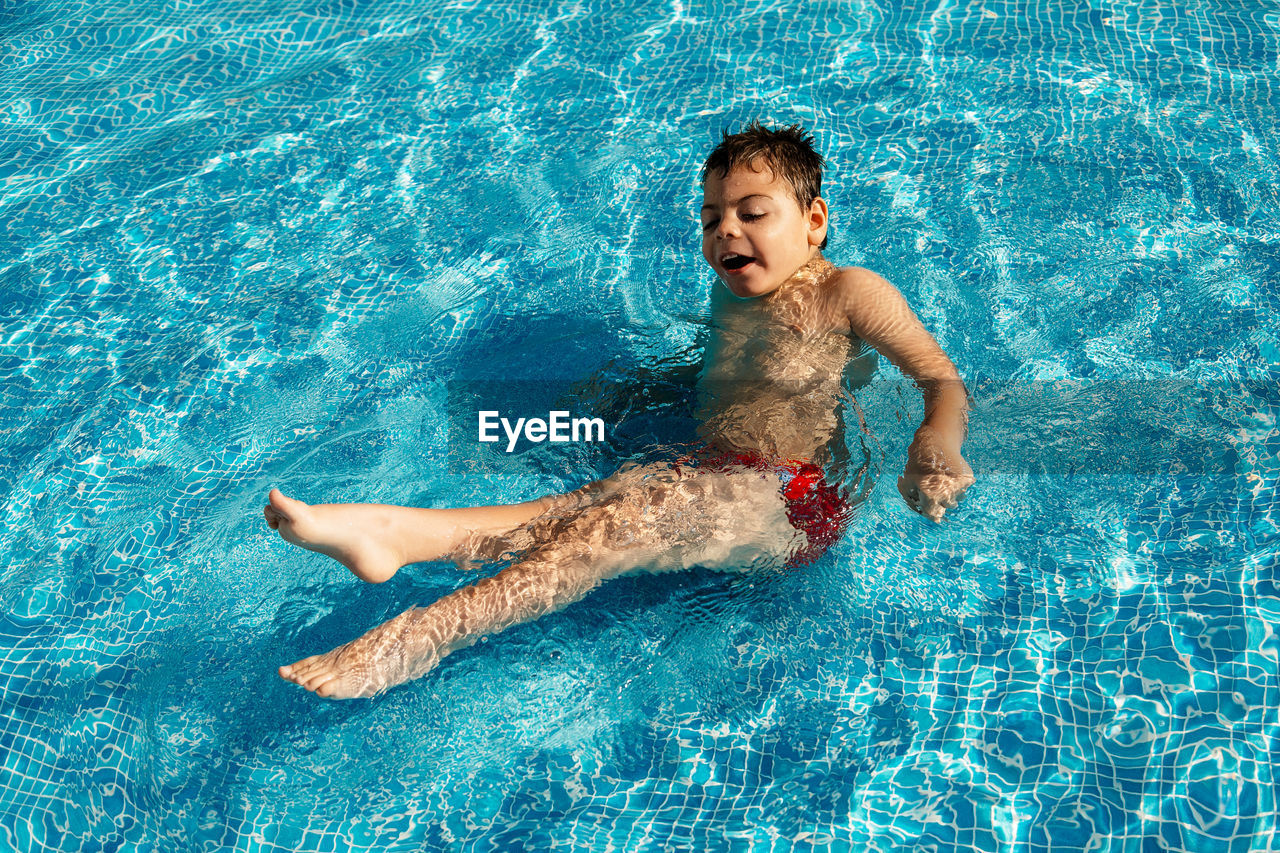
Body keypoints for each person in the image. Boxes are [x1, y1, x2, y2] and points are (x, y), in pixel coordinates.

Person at [267, 122, 973, 699]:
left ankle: (422, 638)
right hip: (716, 473)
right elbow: (746, 379)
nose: (727, 231)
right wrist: (646, 392)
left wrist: (935, 445)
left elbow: (942, 381)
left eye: (753, 213)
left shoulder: (848, 292)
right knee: (572, 509)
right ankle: (395, 533)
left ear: (814, 222)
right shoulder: (736, 294)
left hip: (795, 502)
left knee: (593, 538)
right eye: (711, 218)